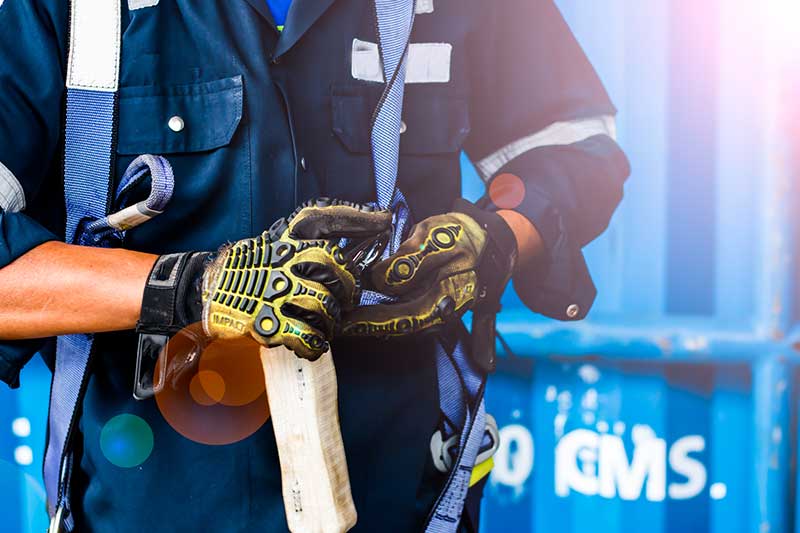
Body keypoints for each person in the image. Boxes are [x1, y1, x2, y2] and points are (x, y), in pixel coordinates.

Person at [0, 0, 630, 531]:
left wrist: (493, 241)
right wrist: (190, 287)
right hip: (151, 503)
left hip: (408, 497)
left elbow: (574, 148)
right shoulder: (62, 11)